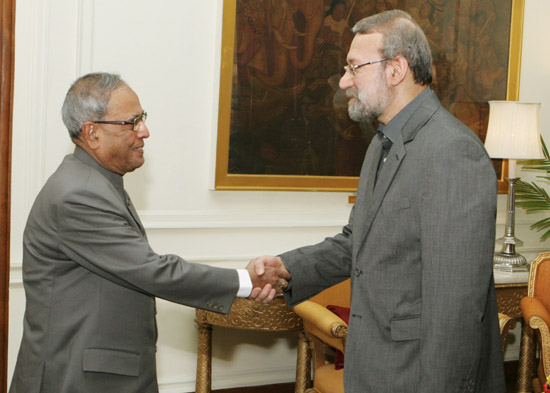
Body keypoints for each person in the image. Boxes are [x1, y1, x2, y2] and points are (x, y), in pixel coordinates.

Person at [252, 9, 505, 392]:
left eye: (354, 67)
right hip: (374, 368)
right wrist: (288, 268)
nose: (343, 81)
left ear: (396, 69)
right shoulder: (381, 145)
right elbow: (359, 242)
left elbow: (455, 309)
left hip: (419, 377)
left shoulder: (452, 152)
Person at [9, 72, 289, 393]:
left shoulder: (95, 182)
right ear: (92, 132)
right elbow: (152, 271)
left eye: (142, 118)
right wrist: (245, 280)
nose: (144, 131)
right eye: (131, 122)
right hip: (78, 378)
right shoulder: (80, 194)